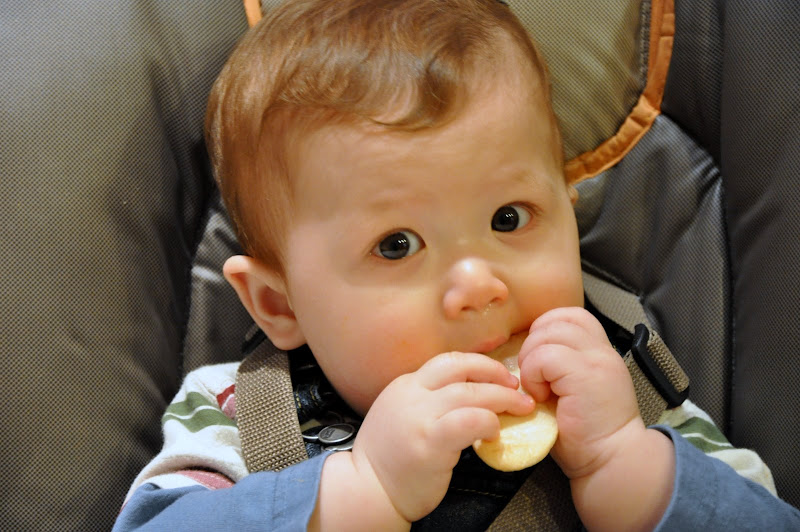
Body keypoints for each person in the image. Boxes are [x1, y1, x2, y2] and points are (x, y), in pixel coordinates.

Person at [114, 0, 800, 530]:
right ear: (280, 304)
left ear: (568, 218)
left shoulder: (627, 397)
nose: (478, 285)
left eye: (509, 219)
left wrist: (627, 467)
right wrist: (363, 491)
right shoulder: (236, 417)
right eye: (396, 245)